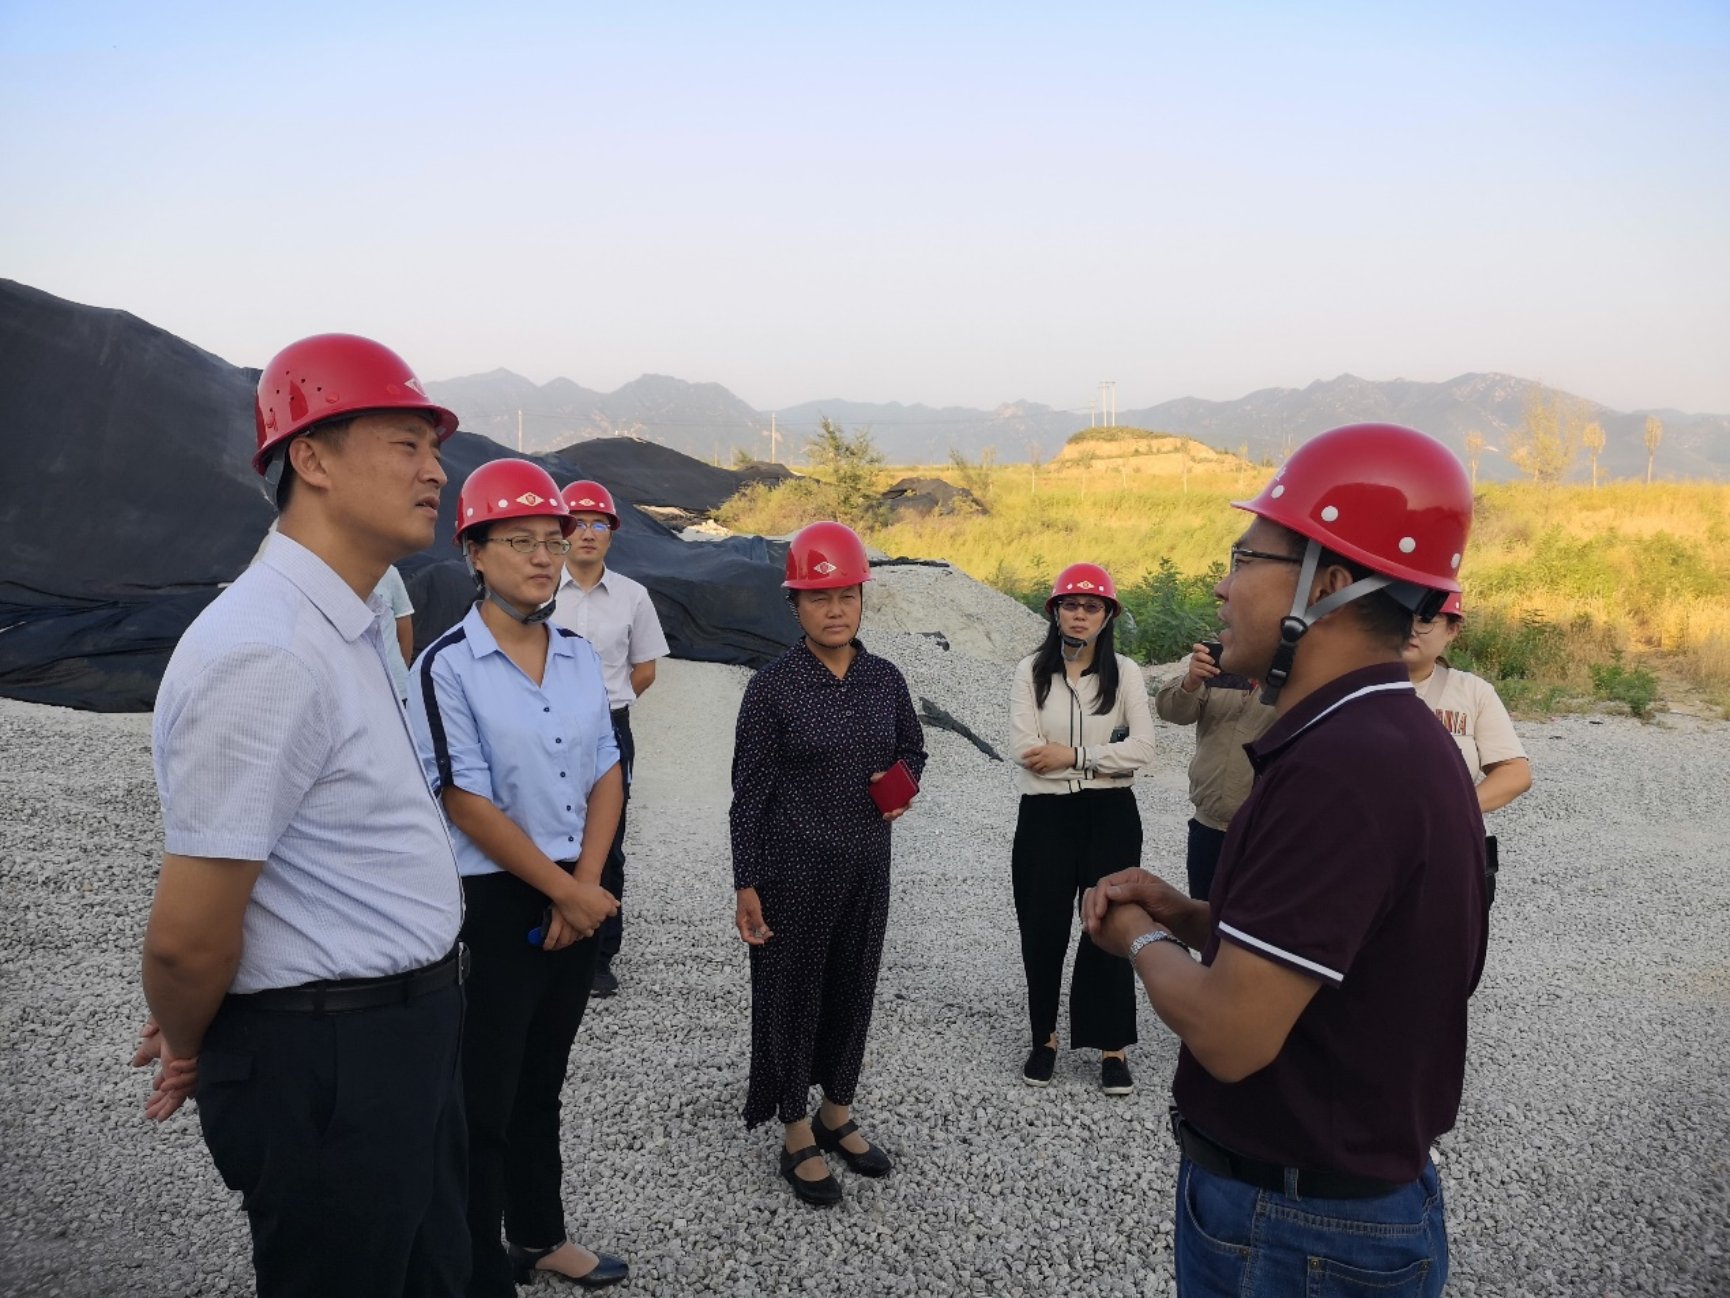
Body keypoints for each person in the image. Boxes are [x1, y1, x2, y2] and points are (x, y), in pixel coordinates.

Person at [1082, 423, 1486, 1297]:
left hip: (1296, 1233)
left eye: (1244, 558)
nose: (1222, 587)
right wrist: (1190, 913)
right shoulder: (1387, 735)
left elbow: (1231, 1035)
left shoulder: (1342, 768)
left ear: (1328, 585)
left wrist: (1140, 937)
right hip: (1330, 1209)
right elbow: (1344, 955)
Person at [135, 334, 470, 1296]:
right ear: (312, 458)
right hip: (329, 1063)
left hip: (400, 1037)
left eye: (434, 448)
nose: (436, 471)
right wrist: (191, 1037)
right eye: (406, 444)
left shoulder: (347, 625)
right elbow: (186, 941)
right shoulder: (268, 650)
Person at [409, 459, 630, 1294]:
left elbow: (607, 769)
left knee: (542, 1080)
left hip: (578, 885)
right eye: (520, 541)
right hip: (496, 900)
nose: (543, 557)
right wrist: (565, 893)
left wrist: (587, 883)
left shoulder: (576, 656)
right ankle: (474, 1264)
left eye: (553, 540)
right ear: (474, 552)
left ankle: (539, 1234)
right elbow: (464, 799)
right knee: (483, 1094)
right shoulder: (448, 666)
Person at [729, 520, 927, 1206]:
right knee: (791, 993)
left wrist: (901, 787)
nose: (835, 609)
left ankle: (836, 1110)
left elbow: (913, 749)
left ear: (863, 598)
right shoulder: (772, 688)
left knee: (853, 984)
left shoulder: (884, 680)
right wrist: (746, 882)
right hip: (792, 873)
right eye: (819, 597)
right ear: (795, 606)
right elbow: (748, 793)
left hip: (868, 866)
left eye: (847, 595)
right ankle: (794, 1127)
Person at [1008, 562, 1155, 1095]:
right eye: (1070, 605)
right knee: (1042, 926)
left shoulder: (1126, 673)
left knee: (1110, 926)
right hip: (1045, 816)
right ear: (1055, 612)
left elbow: (1143, 748)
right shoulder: (1030, 671)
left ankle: (1111, 1045)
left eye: (1092, 607)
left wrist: (1072, 756)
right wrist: (1103, 760)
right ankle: (1043, 1037)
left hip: (1110, 815)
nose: (1080, 615)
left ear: (1107, 616)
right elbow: (1025, 751)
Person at [550, 479, 669, 999]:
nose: (588, 532)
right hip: (545, 728)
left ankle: (598, 956)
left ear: (612, 534)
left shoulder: (632, 596)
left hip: (610, 729)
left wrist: (602, 707)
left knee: (608, 841)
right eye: (577, 522)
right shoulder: (539, 588)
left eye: (599, 523)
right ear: (561, 530)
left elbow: (645, 669)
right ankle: (549, 934)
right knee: (544, 828)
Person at [1405, 591, 1533, 906]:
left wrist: (1454, 809)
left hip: (1451, 857)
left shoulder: (1473, 692)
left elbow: (1515, 772)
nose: (1410, 629)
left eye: (1426, 620)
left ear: (1452, 630)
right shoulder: (1348, 685)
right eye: (1401, 614)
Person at [1154, 642, 1276, 900]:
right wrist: (1191, 682)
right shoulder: (1225, 662)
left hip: (1267, 831)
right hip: (1209, 824)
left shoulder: (1298, 673)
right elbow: (1173, 712)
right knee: (1204, 914)